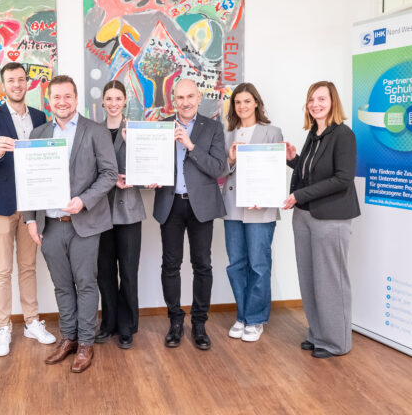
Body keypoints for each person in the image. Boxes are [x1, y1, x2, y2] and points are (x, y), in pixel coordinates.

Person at [25, 75, 117, 373]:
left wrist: (83, 200)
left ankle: (86, 343)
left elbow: (109, 174)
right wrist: (30, 219)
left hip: (85, 223)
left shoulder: (95, 131)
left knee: (86, 284)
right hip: (50, 225)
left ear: (76, 99)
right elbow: (28, 178)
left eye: (68, 96)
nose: (62, 102)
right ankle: (69, 338)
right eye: (57, 97)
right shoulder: (38, 133)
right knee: (62, 286)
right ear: (49, 101)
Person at [0, 62, 55, 357]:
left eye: (21, 79)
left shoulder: (39, 116)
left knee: (28, 266)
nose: (17, 84)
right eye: (11, 80)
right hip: (2, 203)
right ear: (2, 85)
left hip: (32, 204)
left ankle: (32, 322)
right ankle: (3, 327)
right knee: (2, 269)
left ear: (28, 83)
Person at [283, 81, 360, 359]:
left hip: (331, 218)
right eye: (312, 99)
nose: (316, 104)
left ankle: (337, 342)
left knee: (331, 282)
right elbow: (312, 173)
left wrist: (298, 195)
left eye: (322, 99)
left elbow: (342, 179)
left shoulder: (343, 135)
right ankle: (317, 335)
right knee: (309, 280)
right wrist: (294, 160)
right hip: (304, 215)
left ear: (333, 102)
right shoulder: (314, 134)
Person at [152, 78, 226, 350]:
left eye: (190, 97)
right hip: (170, 204)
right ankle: (175, 322)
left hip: (201, 206)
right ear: (173, 100)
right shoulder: (161, 127)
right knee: (170, 265)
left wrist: (191, 145)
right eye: (180, 97)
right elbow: (151, 164)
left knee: (202, 265)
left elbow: (219, 168)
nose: (185, 102)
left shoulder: (213, 127)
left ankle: (199, 324)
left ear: (198, 98)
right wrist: (148, 176)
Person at [221, 83, 283, 343]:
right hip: (233, 207)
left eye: (247, 101)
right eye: (238, 102)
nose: (242, 106)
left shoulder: (272, 132)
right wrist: (231, 160)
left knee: (258, 264)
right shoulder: (227, 134)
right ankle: (242, 316)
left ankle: (256, 319)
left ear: (256, 103)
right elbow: (220, 172)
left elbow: (276, 172)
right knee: (236, 264)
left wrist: (266, 197)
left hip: (261, 209)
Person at [94, 80, 145, 349]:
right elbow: (86, 170)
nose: (113, 103)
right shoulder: (93, 131)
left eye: (118, 98)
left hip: (129, 210)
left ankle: (127, 326)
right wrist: (110, 180)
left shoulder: (137, 130)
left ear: (125, 101)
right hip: (100, 211)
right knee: (104, 272)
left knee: (128, 270)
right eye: (109, 98)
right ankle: (108, 323)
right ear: (103, 102)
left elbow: (150, 168)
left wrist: (132, 146)